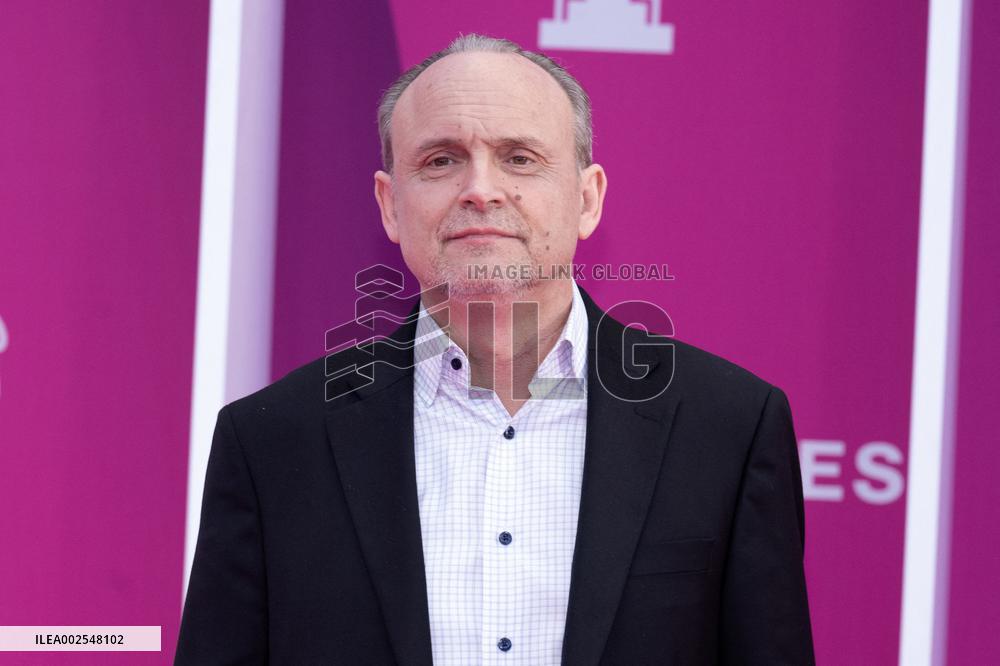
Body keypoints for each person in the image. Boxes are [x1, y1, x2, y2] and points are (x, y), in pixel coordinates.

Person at [176, 34, 814, 665]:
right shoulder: (271, 441)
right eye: (441, 161)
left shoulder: (728, 426)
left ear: (587, 199)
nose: (481, 189)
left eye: (520, 158)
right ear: (390, 205)